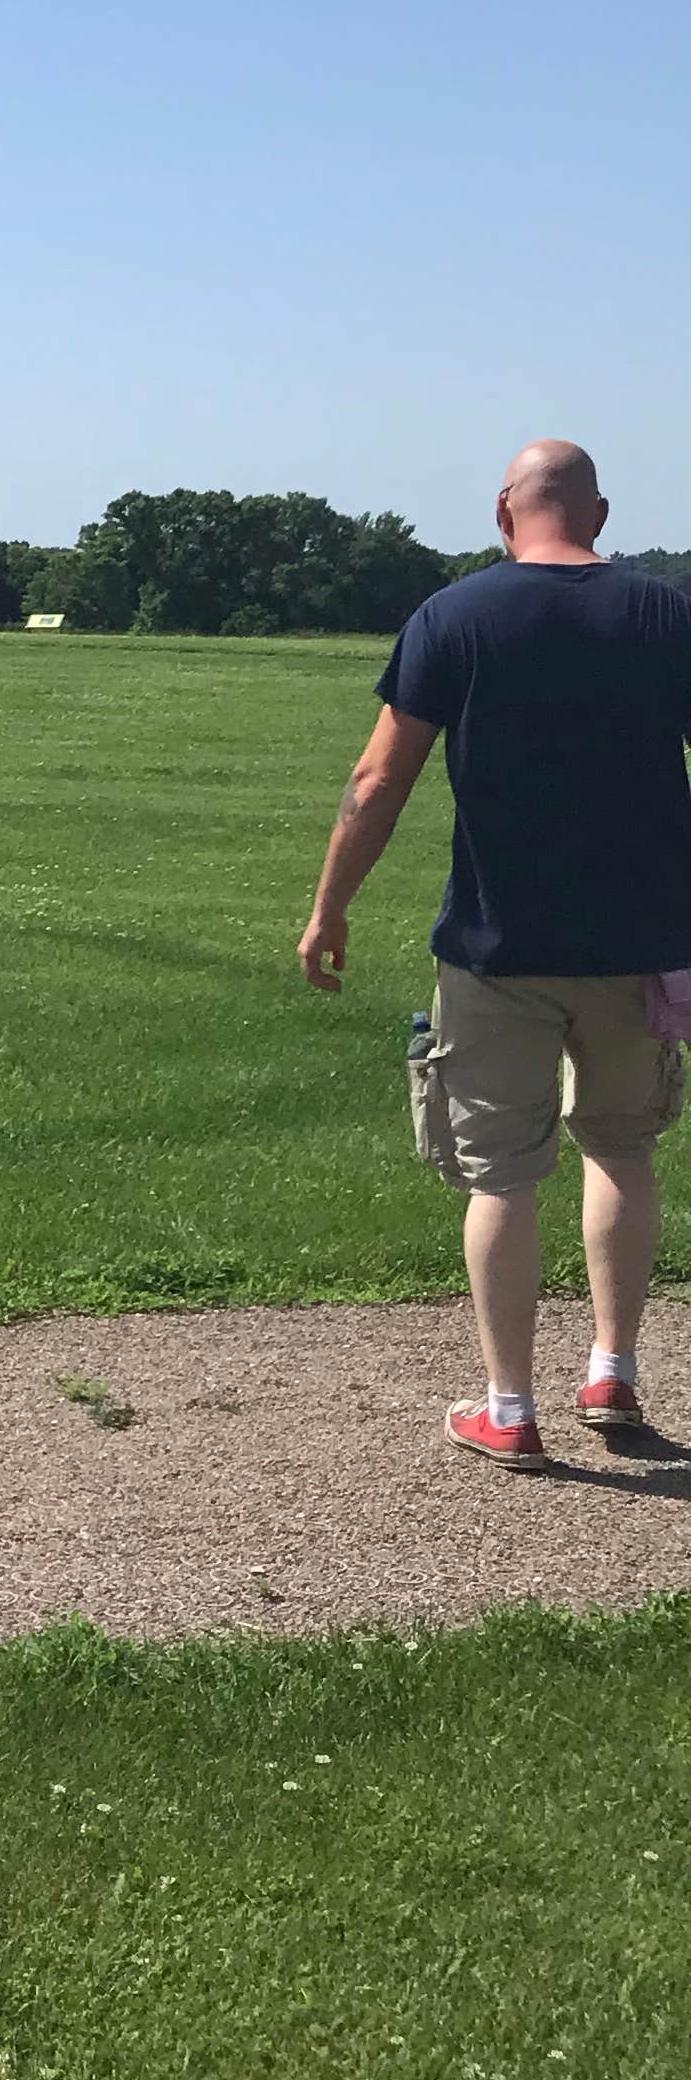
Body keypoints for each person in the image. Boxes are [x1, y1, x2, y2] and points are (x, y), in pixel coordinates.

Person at [298, 439, 691, 1469]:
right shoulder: (666, 614)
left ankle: (508, 1407)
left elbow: (376, 780)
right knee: (624, 1148)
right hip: (643, 946)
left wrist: (329, 907)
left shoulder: (455, 616)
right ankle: (614, 1368)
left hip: (493, 945)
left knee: (501, 1176)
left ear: (502, 512)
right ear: (598, 515)